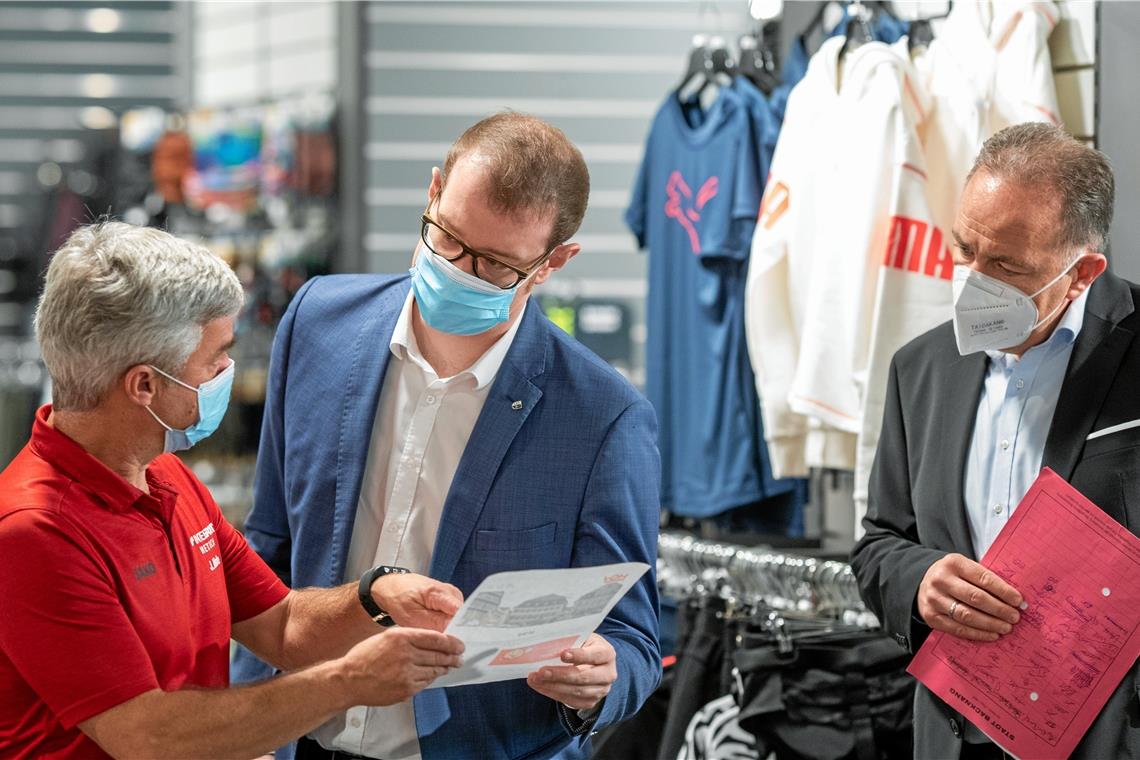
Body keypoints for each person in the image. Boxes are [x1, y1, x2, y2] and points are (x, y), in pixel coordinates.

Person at [231, 112, 662, 760]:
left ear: (553, 263)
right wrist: (247, 729)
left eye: (494, 266)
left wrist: (603, 675)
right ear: (433, 191)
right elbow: (268, 550)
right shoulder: (319, 324)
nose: (460, 270)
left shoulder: (602, 418)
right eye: (449, 239)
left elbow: (634, 639)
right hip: (300, 740)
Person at [0, 222, 467, 759]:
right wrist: (347, 682)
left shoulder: (164, 475)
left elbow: (282, 625)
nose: (229, 370)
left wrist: (376, 596)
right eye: (215, 358)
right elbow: (148, 734)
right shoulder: (34, 532)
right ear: (144, 384)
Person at [850, 122, 1140, 759]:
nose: (975, 280)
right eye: (965, 250)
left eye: (1006, 265)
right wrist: (921, 581)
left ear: (1083, 271)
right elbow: (878, 545)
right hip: (955, 736)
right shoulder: (919, 369)